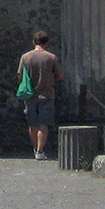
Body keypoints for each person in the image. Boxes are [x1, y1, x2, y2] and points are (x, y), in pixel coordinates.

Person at [16, 30, 64, 160]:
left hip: (29, 94)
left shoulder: (25, 57)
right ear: (46, 43)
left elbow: (20, 75)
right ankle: (40, 151)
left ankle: (34, 148)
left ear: (34, 42)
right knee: (44, 124)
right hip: (47, 94)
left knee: (33, 124)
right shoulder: (51, 57)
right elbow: (61, 75)